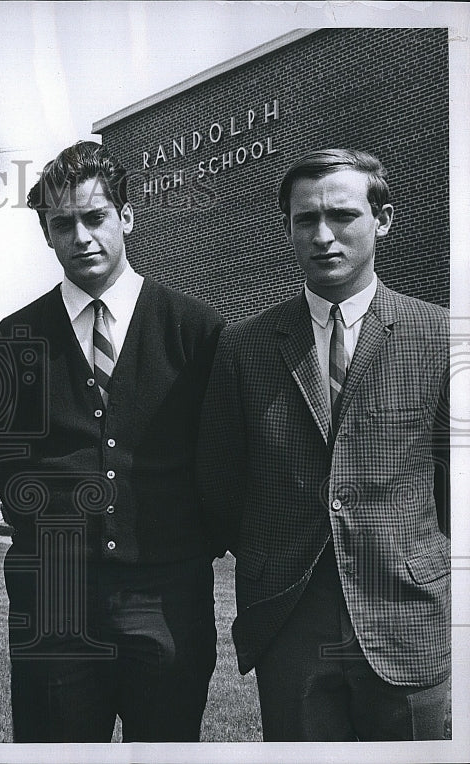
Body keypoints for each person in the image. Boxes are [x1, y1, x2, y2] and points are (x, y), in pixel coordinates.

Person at [197, 148, 450, 741]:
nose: (323, 235)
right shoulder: (245, 347)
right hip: (290, 621)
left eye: (341, 215)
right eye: (304, 219)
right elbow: (221, 484)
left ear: (382, 220)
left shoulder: (440, 335)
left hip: (407, 614)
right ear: (287, 228)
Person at [0, 141, 224, 742]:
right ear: (46, 233)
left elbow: (223, 460)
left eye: (96, 217)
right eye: (63, 224)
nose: (82, 237)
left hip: (167, 597)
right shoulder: (16, 339)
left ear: (127, 216)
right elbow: (1, 464)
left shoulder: (196, 330)